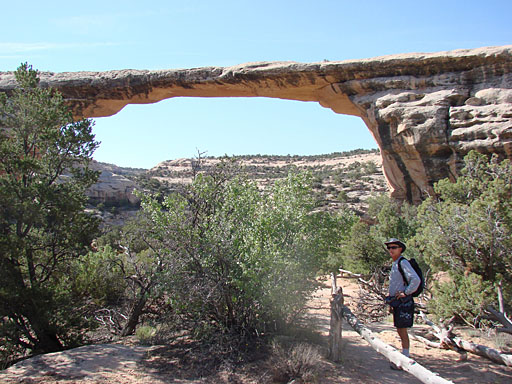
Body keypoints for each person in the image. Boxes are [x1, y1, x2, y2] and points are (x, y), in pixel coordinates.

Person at [385, 238, 420, 370]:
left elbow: (415, 280)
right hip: (398, 302)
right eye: (389, 248)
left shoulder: (403, 262)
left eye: (393, 247)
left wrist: (406, 292)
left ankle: (405, 359)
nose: (391, 250)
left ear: (400, 249)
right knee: (400, 329)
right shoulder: (396, 263)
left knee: (402, 329)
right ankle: (405, 356)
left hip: (403, 302)